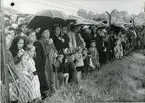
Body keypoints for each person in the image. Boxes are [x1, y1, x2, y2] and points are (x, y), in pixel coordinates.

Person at [34, 28, 55, 98]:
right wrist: (48, 45)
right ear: (42, 34)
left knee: (51, 75)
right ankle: (47, 93)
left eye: (48, 32)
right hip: (45, 62)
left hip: (51, 61)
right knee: (46, 76)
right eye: (45, 32)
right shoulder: (40, 42)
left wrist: (55, 51)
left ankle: (52, 91)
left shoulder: (50, 40)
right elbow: (44, 53)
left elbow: (54, 50)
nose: (47, 33)